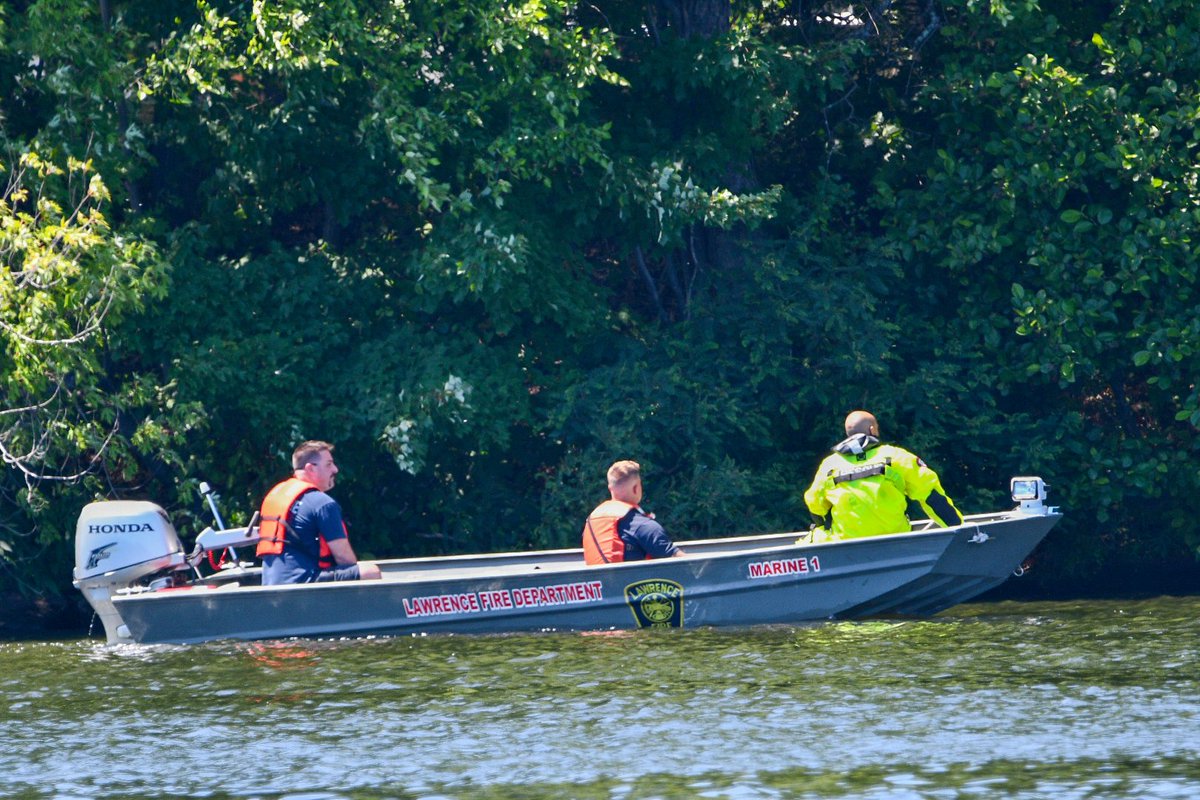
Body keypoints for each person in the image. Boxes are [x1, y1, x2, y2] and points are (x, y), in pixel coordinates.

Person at [803, 410, 962, 540]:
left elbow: (815, 505)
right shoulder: (896, 456)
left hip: (847, 545)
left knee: (815, 535)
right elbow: (931, 496)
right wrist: (959, 529)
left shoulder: (829, 465)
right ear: (872, 430)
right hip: (894, 541)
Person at [256, 440, 382, 585]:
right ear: (311, 469)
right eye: (329, 464)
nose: (335, 470)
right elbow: (344, 559)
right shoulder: (322, 503)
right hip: (304, 583)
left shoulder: (276, 496)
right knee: (370, 571)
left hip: (271, 585)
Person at [582, 460, 686, 564]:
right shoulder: (644, 526)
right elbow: (684, 565)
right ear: (636, 488)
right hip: (632, 580)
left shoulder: (591, 522)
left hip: (600, 579)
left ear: (610, 488)